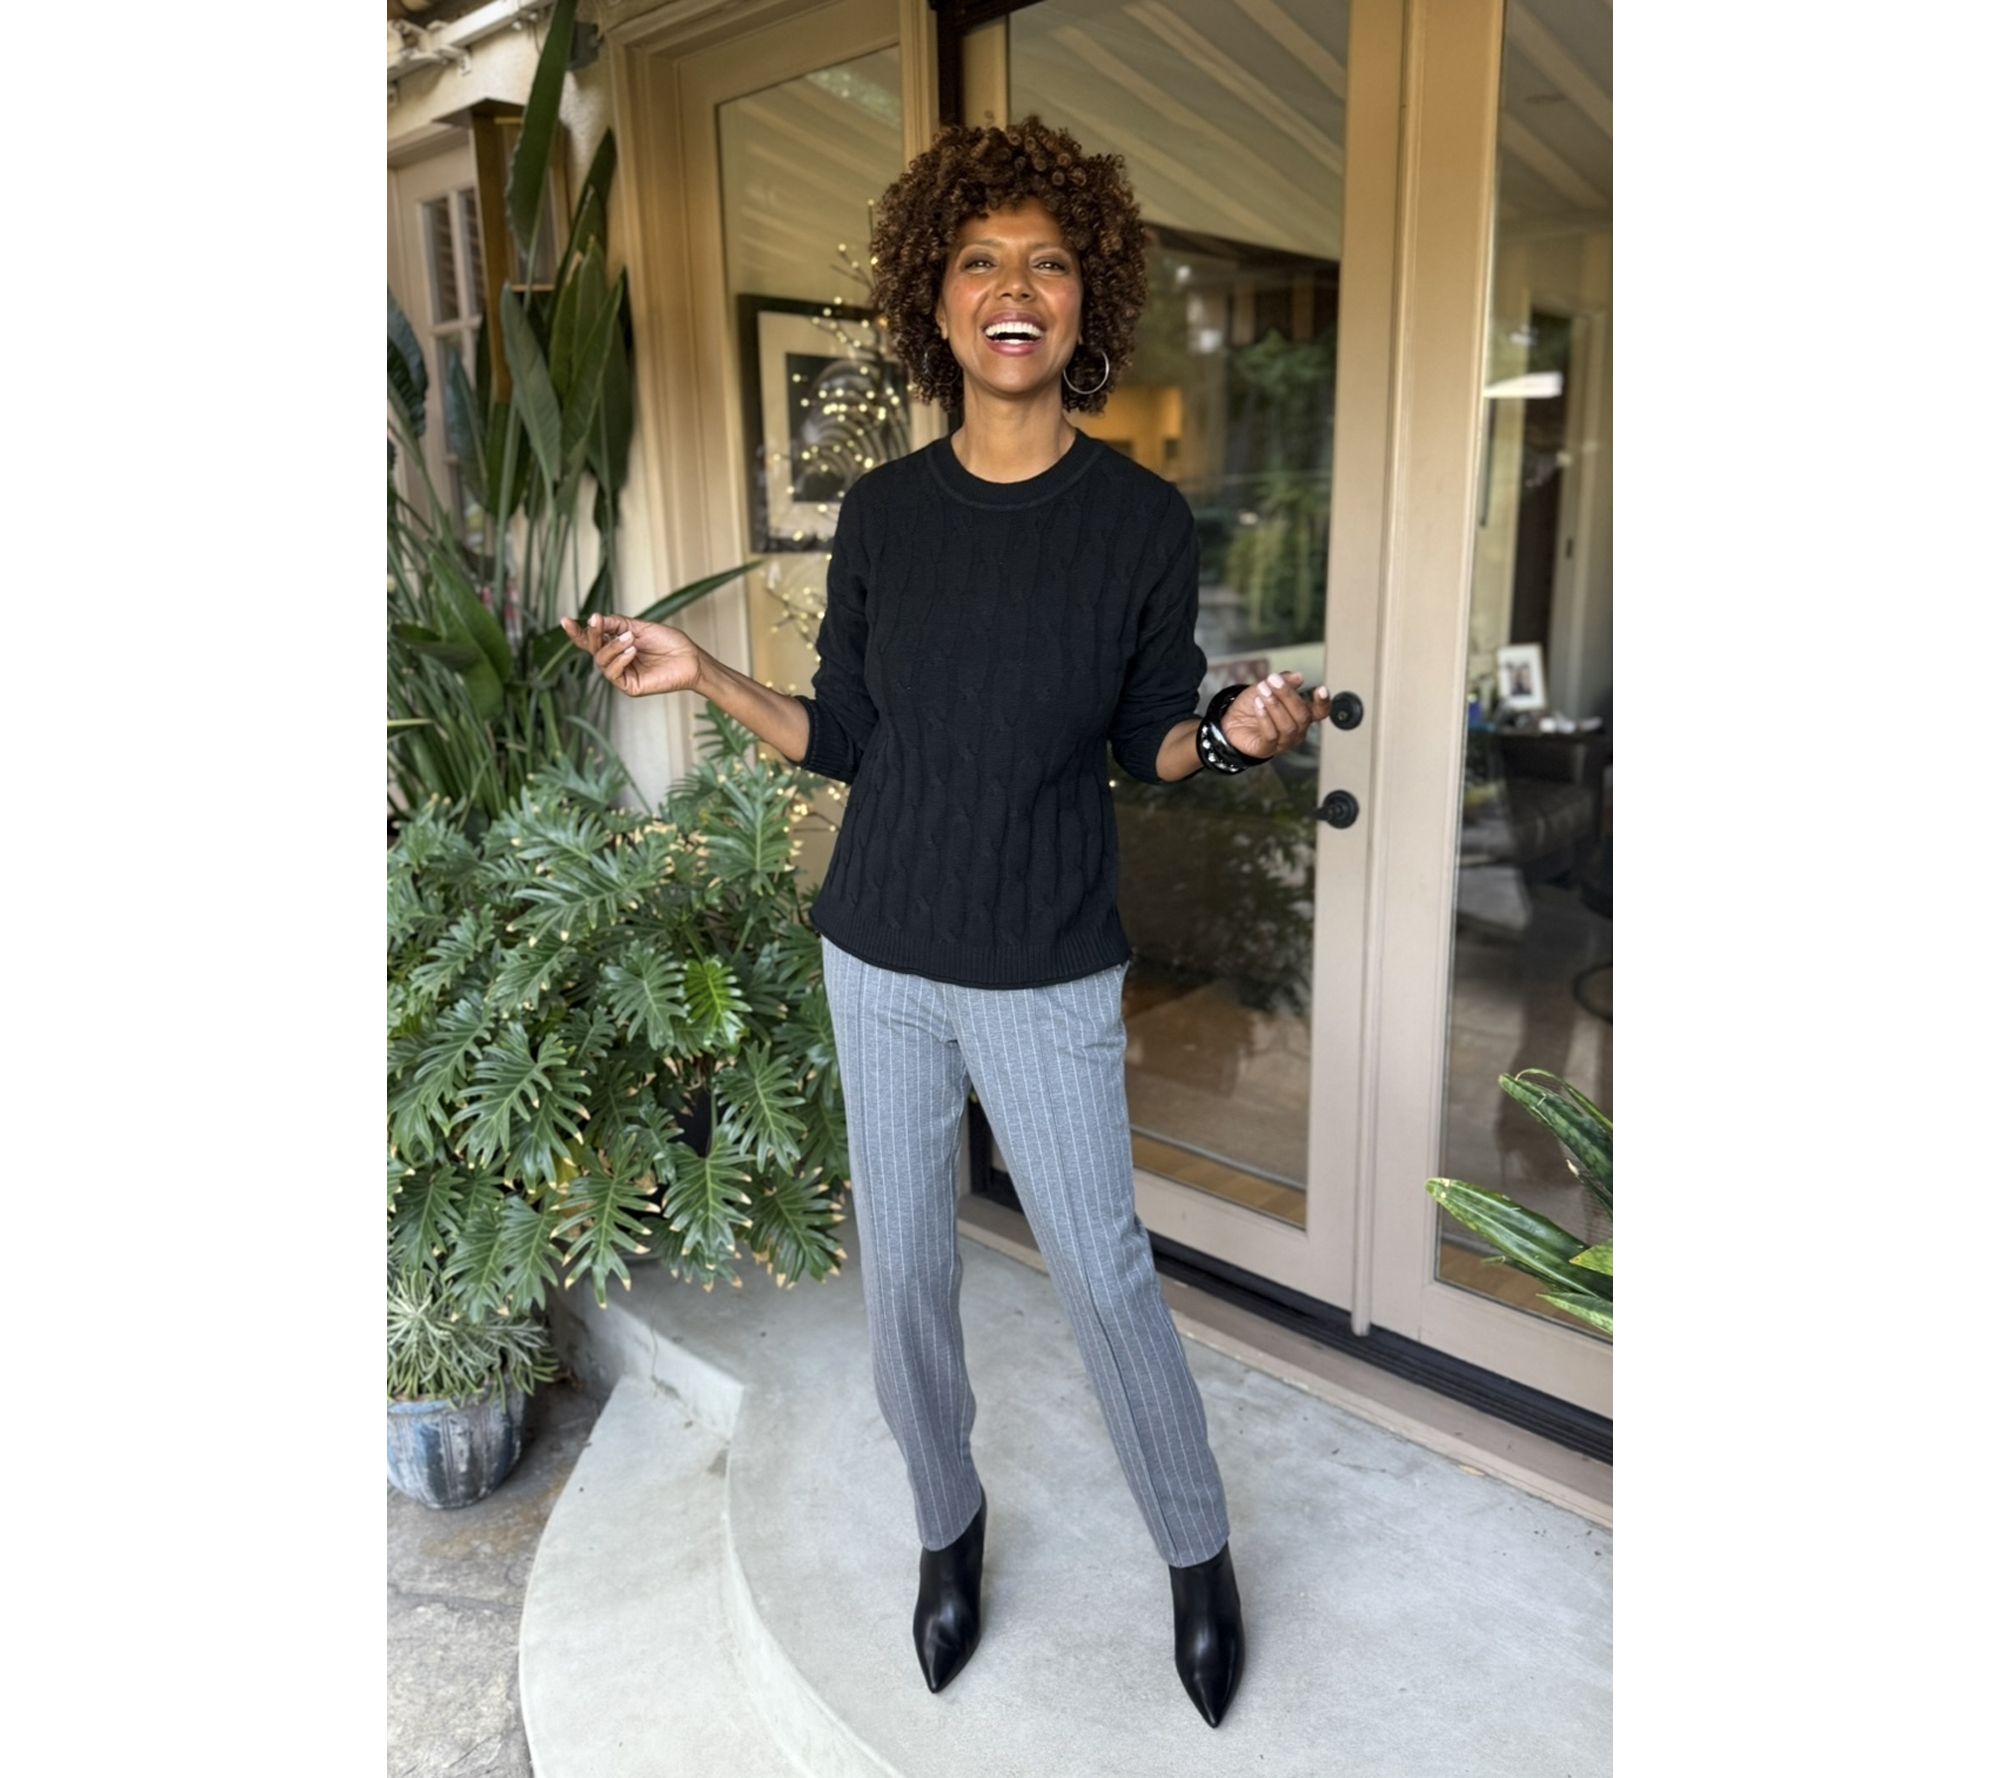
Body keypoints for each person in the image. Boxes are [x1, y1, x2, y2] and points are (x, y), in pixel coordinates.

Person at [561, 116, 1330, 1730]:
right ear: (938, 296)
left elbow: (1151, 740)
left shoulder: (1138, 523)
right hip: (881, 952)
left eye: (1047, 262)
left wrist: (1232, 735)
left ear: (1087, 299)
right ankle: (946, 1520)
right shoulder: (888, 516)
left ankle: (1195, 1551)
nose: (1013, 288)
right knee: (905, 1271)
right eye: (981, 260)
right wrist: (703, 671)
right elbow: (844, 734)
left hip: (1045, 962)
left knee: (1102, 1272)